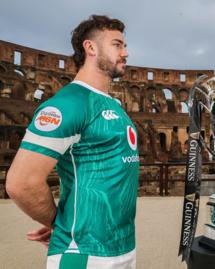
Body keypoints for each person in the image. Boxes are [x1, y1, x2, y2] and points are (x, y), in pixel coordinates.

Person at [6, 15, 139, 268]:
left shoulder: (113, 104)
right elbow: (20, 183)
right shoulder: (69, 104)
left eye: (124, 45)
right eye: (117, 44)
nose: (126, 52)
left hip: (121, 248)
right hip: (83, 254)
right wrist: (58, 222)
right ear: (91, 48)